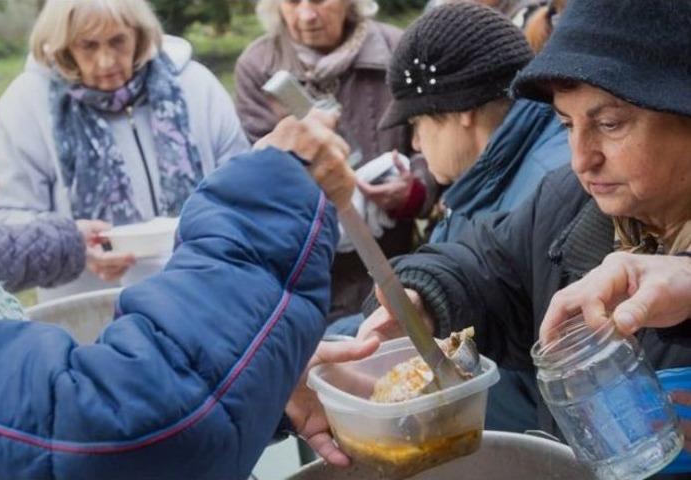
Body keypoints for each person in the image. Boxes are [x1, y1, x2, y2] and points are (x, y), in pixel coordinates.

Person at [0, 1, 358, 477]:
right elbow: (116, 430)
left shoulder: (193, 87)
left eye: (118, 41)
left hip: (187, 322)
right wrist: (269, 195)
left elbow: (9, 442)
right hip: (148, 326)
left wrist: (255, 364)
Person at [343, 0, 691, 442]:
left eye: (609, 124)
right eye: (566, 124)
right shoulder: (567, 201)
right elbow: (486, 265)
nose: (582, 158)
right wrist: (423, 299)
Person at [0, 0, 250, 302]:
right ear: (63, 46)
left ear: (140, 34)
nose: (106, 62)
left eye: (118, 41)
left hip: (204, 295)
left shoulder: (196, 86)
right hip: (94, 312)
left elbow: (243, 190)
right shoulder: (27, 104)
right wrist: (68, 242)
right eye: (88, 46)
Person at [236, 0, 435, 322]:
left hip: (396, 268)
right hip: (308, 280)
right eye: (292, 2)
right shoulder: (258, 67)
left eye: (319, 0)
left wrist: (413, 190)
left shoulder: (396, 49)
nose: (306, 15)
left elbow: (432, 140)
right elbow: (259, 174)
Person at [380, 2, 569, 244]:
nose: (416, 144)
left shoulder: (550, 196)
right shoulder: (496, 180)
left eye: (417, 122)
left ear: (462, 109)